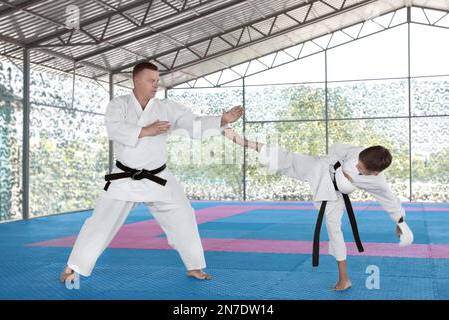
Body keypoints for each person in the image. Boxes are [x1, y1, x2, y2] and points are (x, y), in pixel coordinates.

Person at [60, 62, 243, 283]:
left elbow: (192, 123)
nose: (155, 85)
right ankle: (73, 267)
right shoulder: (118, 105)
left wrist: (222, 120)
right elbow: (114, 129)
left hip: (158, 177)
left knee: (184, 214)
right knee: (100, 222)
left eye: (157, 80)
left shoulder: (166, 108)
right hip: (124, 177)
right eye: (151, 80)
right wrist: (146, 130)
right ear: (136, 80)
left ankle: (194, 265)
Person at [222, 128, 413, 291]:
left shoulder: (377, 181)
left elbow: (390, 200)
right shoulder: (358, 153)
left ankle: (344, 279)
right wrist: (336, 165)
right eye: (357, 162)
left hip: (335, 195)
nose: (356, 166)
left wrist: (400, 222)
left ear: (374, 173)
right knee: (287, 158)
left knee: (333, 229)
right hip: (321, 168)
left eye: (360, 168)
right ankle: (242, 140)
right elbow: (337, 148)